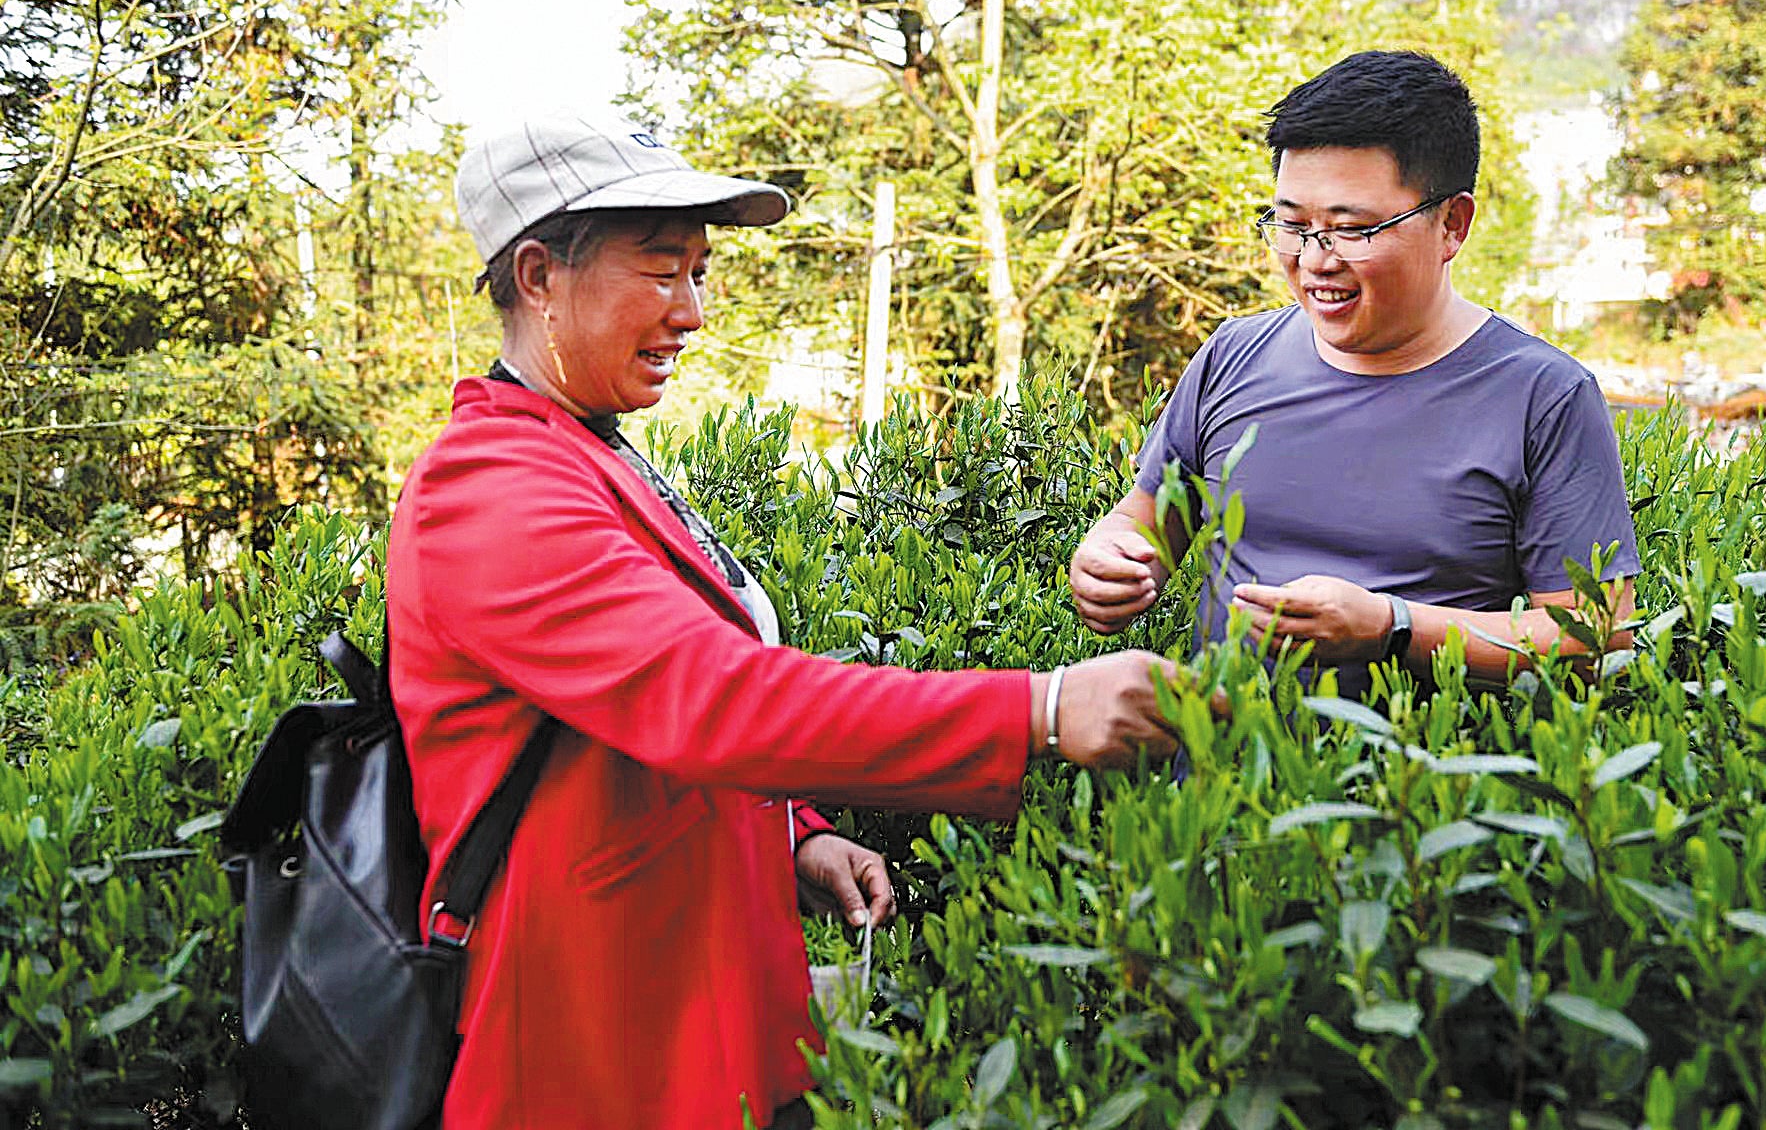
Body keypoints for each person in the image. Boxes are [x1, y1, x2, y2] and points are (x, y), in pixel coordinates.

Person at [386, 114, 1185, 1129]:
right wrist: (1042, 704)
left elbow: (642, 708)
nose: (694, 312)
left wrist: (792, 833)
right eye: (663, 271)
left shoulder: (593, 452)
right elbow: (713, 698)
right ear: (538, 275)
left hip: (702, 1009)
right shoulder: (489, 484)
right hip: (595, 1049)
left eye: (700, 273)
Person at [1069, 51, 1640, 683]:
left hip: (1424, 777)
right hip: (1218, 771)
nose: (1316, 260)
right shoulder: (1234, 356)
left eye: (1352, 229)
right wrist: (1110, 560)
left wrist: (1391, 628)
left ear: (1452, 224)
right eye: (1291, 224)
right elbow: (1149, 520)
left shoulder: (1544, 397)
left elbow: (1595, 638)